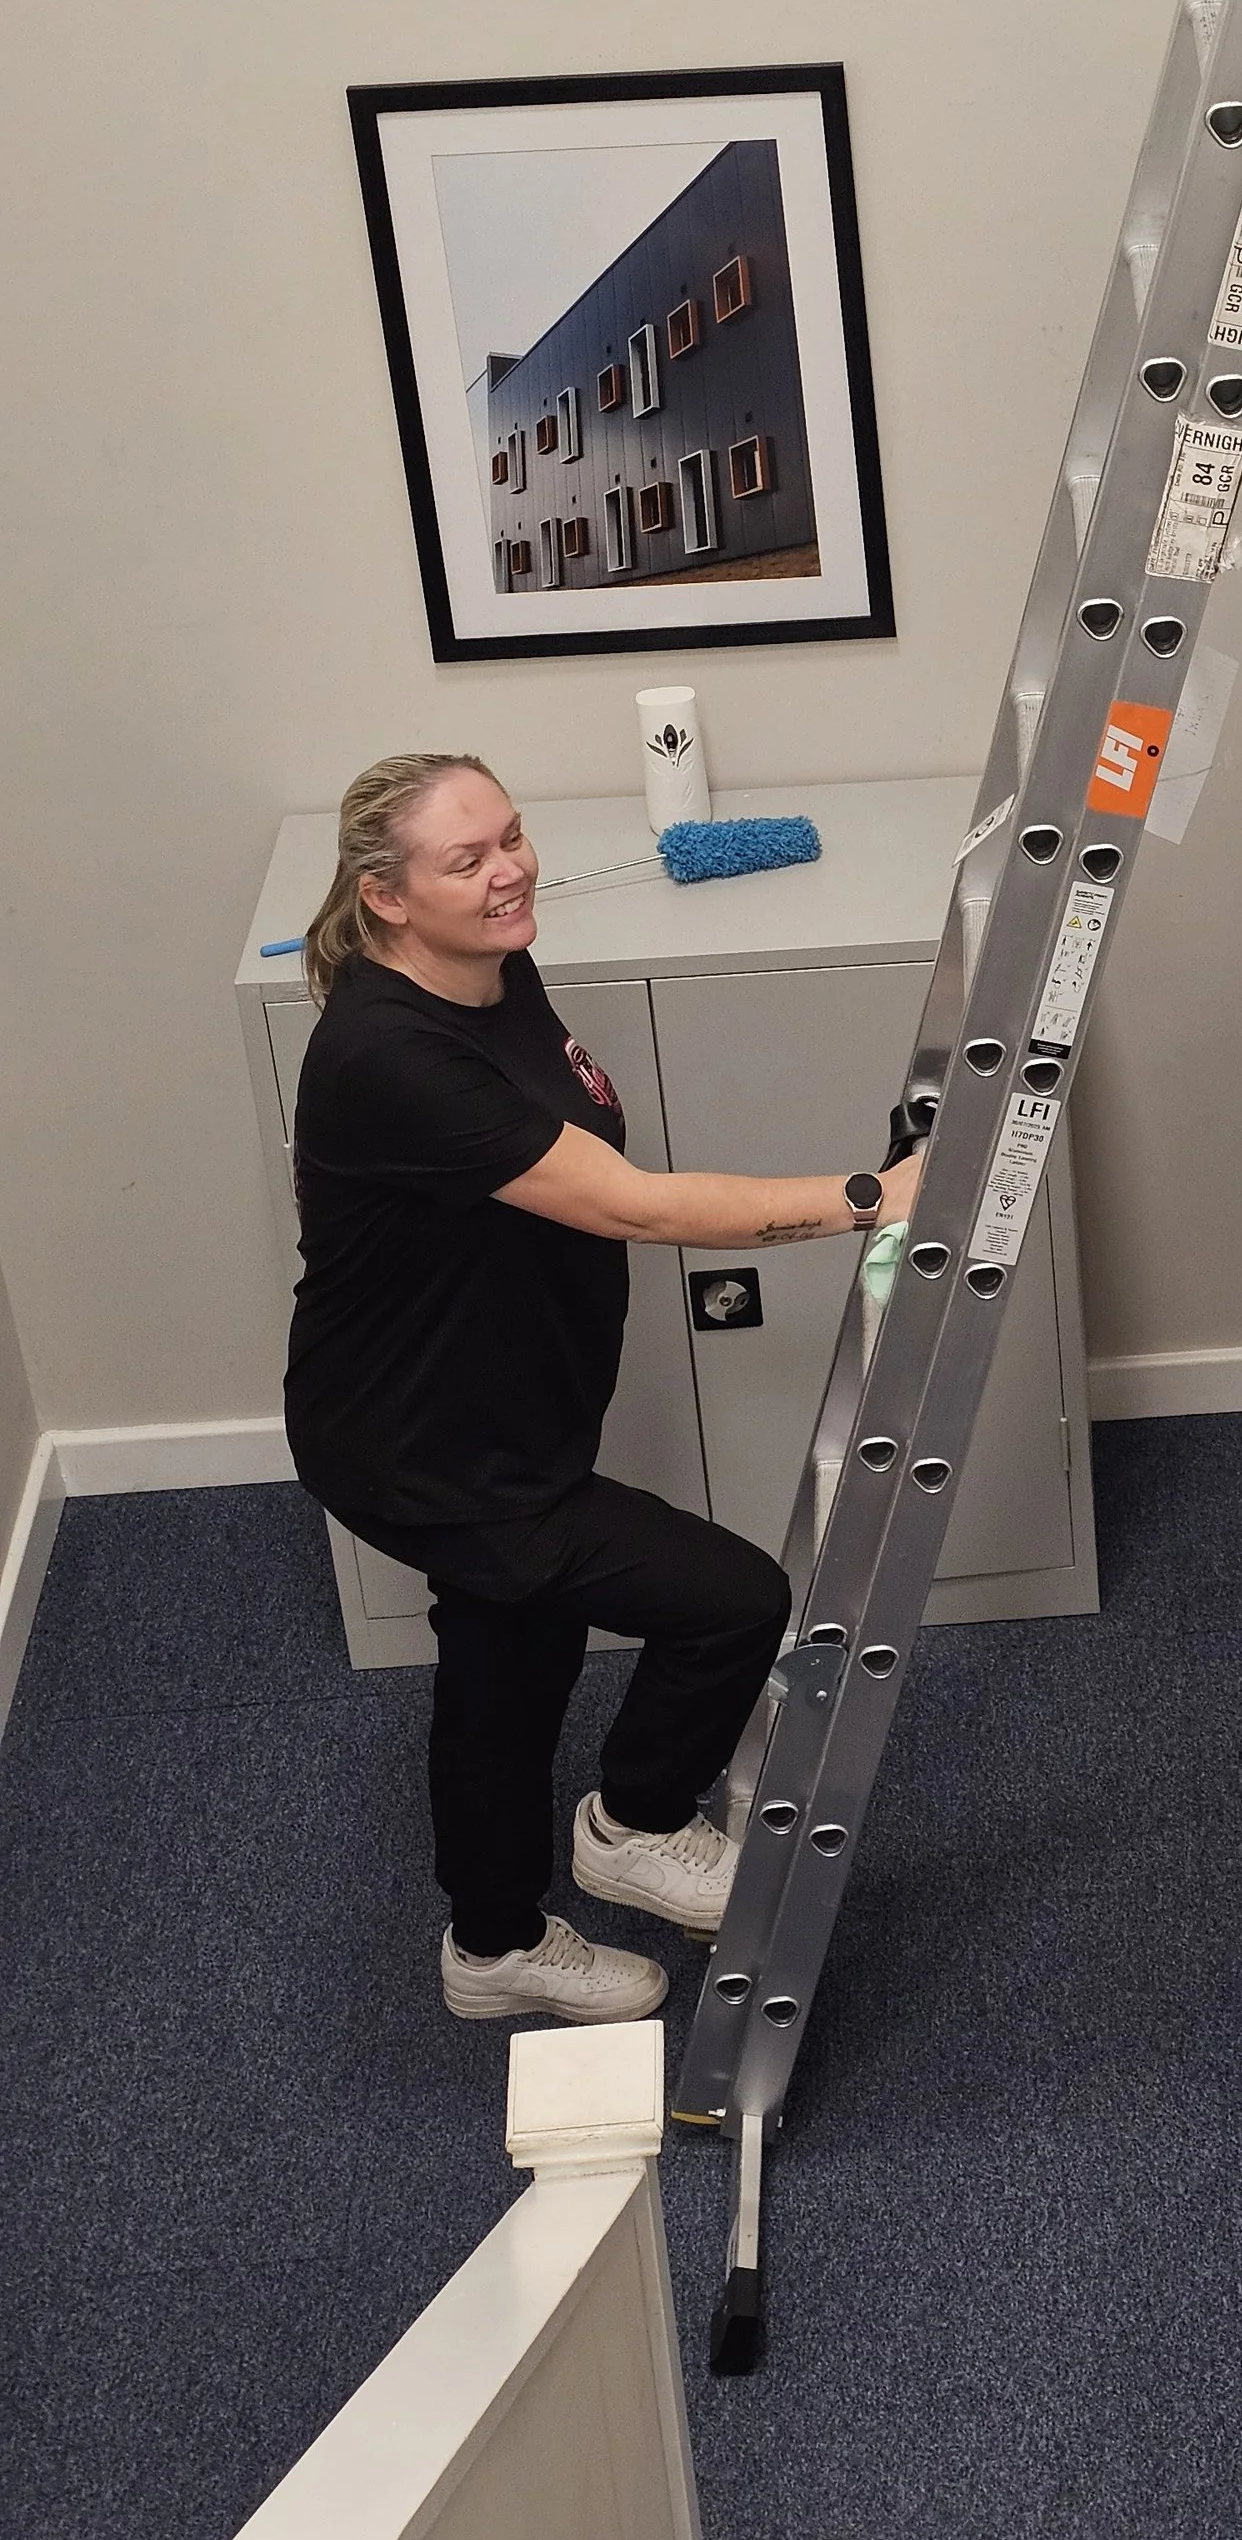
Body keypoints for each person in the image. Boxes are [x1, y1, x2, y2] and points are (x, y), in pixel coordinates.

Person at [283, 751, 921, 2025]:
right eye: (466, 860)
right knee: (733, 1603)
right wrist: (870, 1200)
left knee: (509, 1656)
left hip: (505, 1410)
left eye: (510, 836)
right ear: (385, 897)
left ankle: (494, 1944)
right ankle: (628, 1827)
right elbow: (625, 1202)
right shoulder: (383, 1056)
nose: (510, 870)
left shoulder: (490, 970)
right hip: (431, 1448)